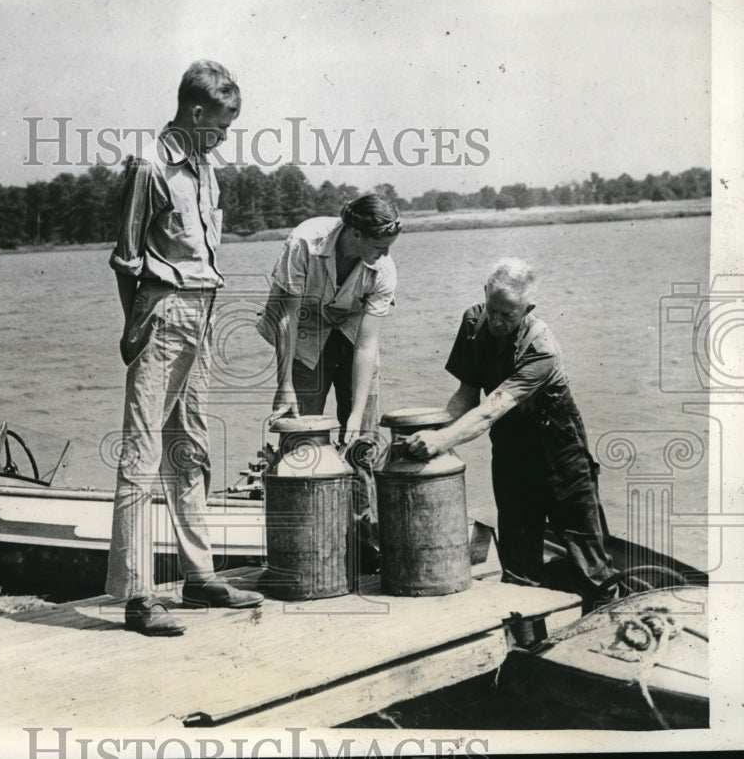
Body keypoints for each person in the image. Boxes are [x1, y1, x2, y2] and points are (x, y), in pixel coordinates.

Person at [106, 60, 263, 637]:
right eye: (222, 125)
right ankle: (138, 597)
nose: (226, 136)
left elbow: (206, 259)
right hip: (161, 314)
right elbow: (125, 259)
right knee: (141, 457)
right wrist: (134, 327)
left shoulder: (204, 168)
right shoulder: (149, 166)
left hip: (199, 314)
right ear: (196, 113)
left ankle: (200, 577)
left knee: (190, 449)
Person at [405, 258, 614, 603]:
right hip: (511, 453)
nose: (499, 321)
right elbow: (467, 394)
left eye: (509, 314)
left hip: (561, 454)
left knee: (590, 566)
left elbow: (490, 410)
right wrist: (428, 432)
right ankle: (527, 648)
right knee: (518, 567)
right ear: (485, 293)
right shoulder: (473, 322)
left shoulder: (542, 348)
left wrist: (442, 440)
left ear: (528, 308)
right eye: (494, 309)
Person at [256, 194, 401, 566]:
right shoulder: (305, 242)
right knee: (299, 443)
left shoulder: (383, 270)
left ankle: (362, 545)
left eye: (388, 249)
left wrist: (354, 417)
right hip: (303, 335)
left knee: (362, 447)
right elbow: (285, 318)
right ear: (354, 233)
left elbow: (368, 344)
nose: (384, 256)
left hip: (352, 339)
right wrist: (284, 383)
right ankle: (300, 543)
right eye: (378, 247)